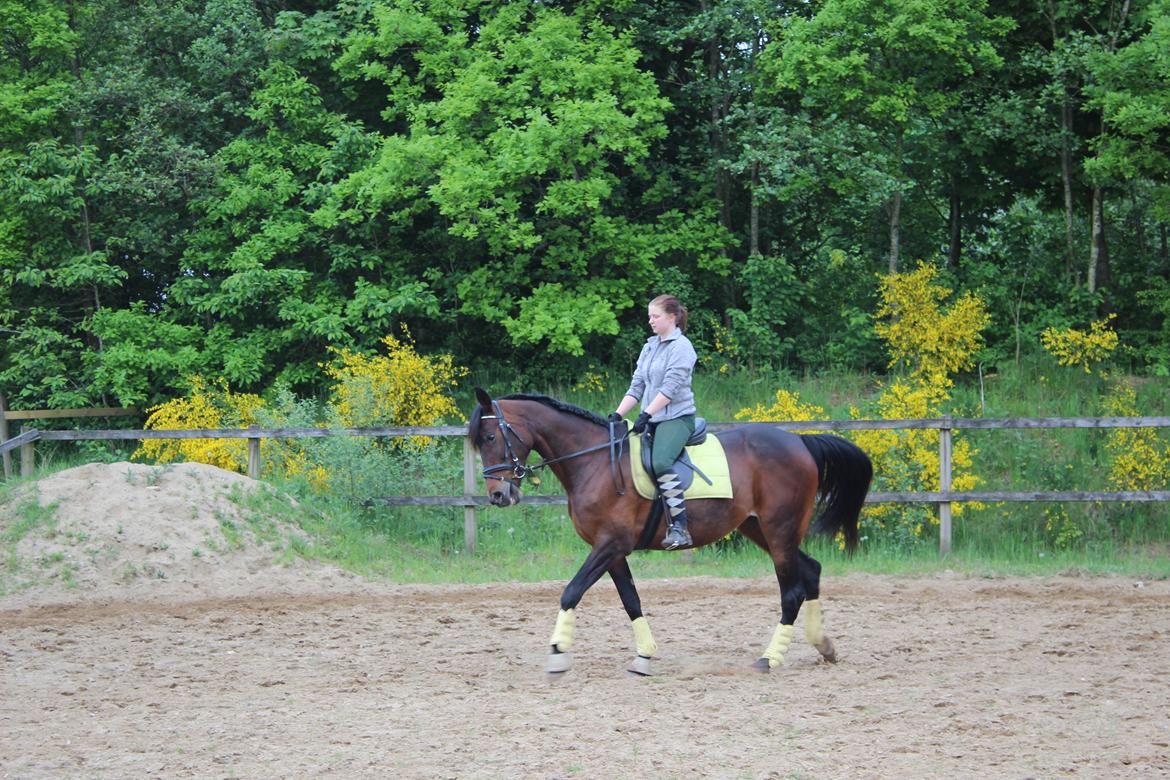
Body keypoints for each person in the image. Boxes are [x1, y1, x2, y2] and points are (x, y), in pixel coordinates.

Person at [609, 294, 698, 550]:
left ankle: (680, 527)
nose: (651, 321)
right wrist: (617, 414)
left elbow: (670, 388)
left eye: (655, 316)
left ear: (672, 317)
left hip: (676, 418)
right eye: (649, 316)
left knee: (660, 461)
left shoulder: (682, 347)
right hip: (652, 417)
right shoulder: (650, 346)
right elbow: (636, 386)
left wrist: (646, 414)